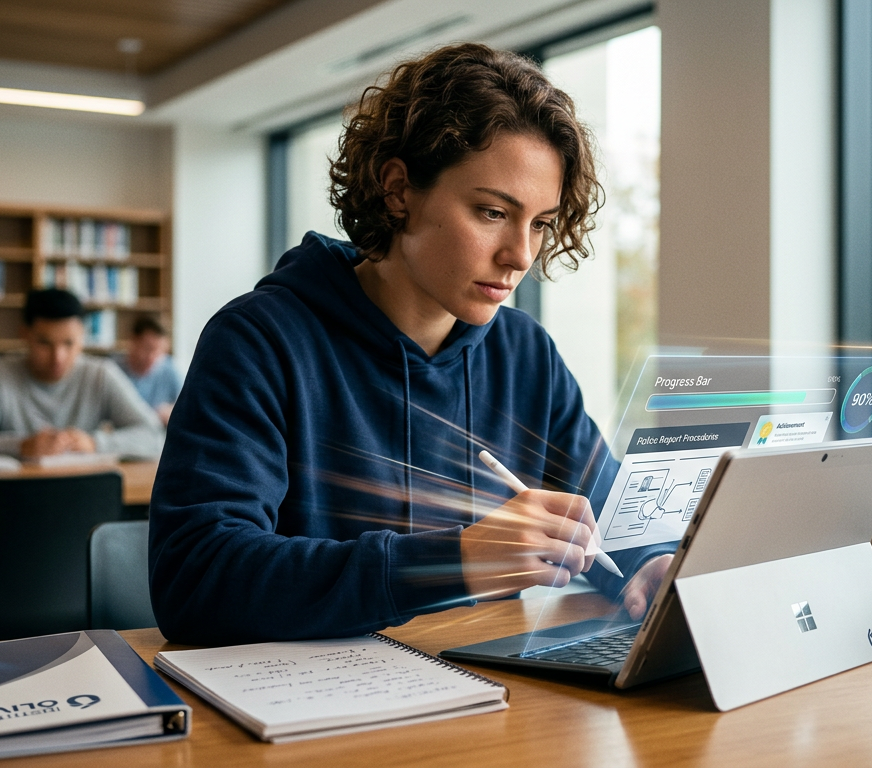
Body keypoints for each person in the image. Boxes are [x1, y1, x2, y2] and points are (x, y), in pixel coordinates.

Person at [149, 43, 673, 645]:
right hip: (315, 710)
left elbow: (611, 516)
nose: (520, 256)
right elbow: (195, 580)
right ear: (399, 190)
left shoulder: (525, 354)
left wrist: (649, 563)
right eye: (492, 212)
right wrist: (453, 561)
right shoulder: (260, 341)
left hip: (491, 694)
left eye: (540, 223)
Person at [0, 288, 163, 459]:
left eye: (69, 343)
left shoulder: (100, 374)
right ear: (25, 334)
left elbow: (153, 435)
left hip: (83, 495)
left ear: (82, 337)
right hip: (13, 497)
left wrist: (95, 443)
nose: (58, 357)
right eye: (44, 343)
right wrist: (22, 446)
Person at [116, 317, 182, 425]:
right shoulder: (113, 369)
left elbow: (189, 410)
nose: (152, 357)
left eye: (159, 351)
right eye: (148, 348)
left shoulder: (171, 371)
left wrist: (173, 412)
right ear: (133, 342)